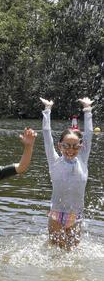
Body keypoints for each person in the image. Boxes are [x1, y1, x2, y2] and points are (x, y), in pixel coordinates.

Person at [40, 97, 93, 250]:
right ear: (60, 146)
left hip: (76, 216)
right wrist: (47, 110)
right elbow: (46, 134)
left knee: (72, 255)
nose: (70, 150)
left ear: (81, 147)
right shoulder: (54, 161)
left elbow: (89, 134)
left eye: (75, 146)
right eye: (66, 146)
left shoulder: (82, 160)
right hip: (56, 214)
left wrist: (87, 110)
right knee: (56, 253)